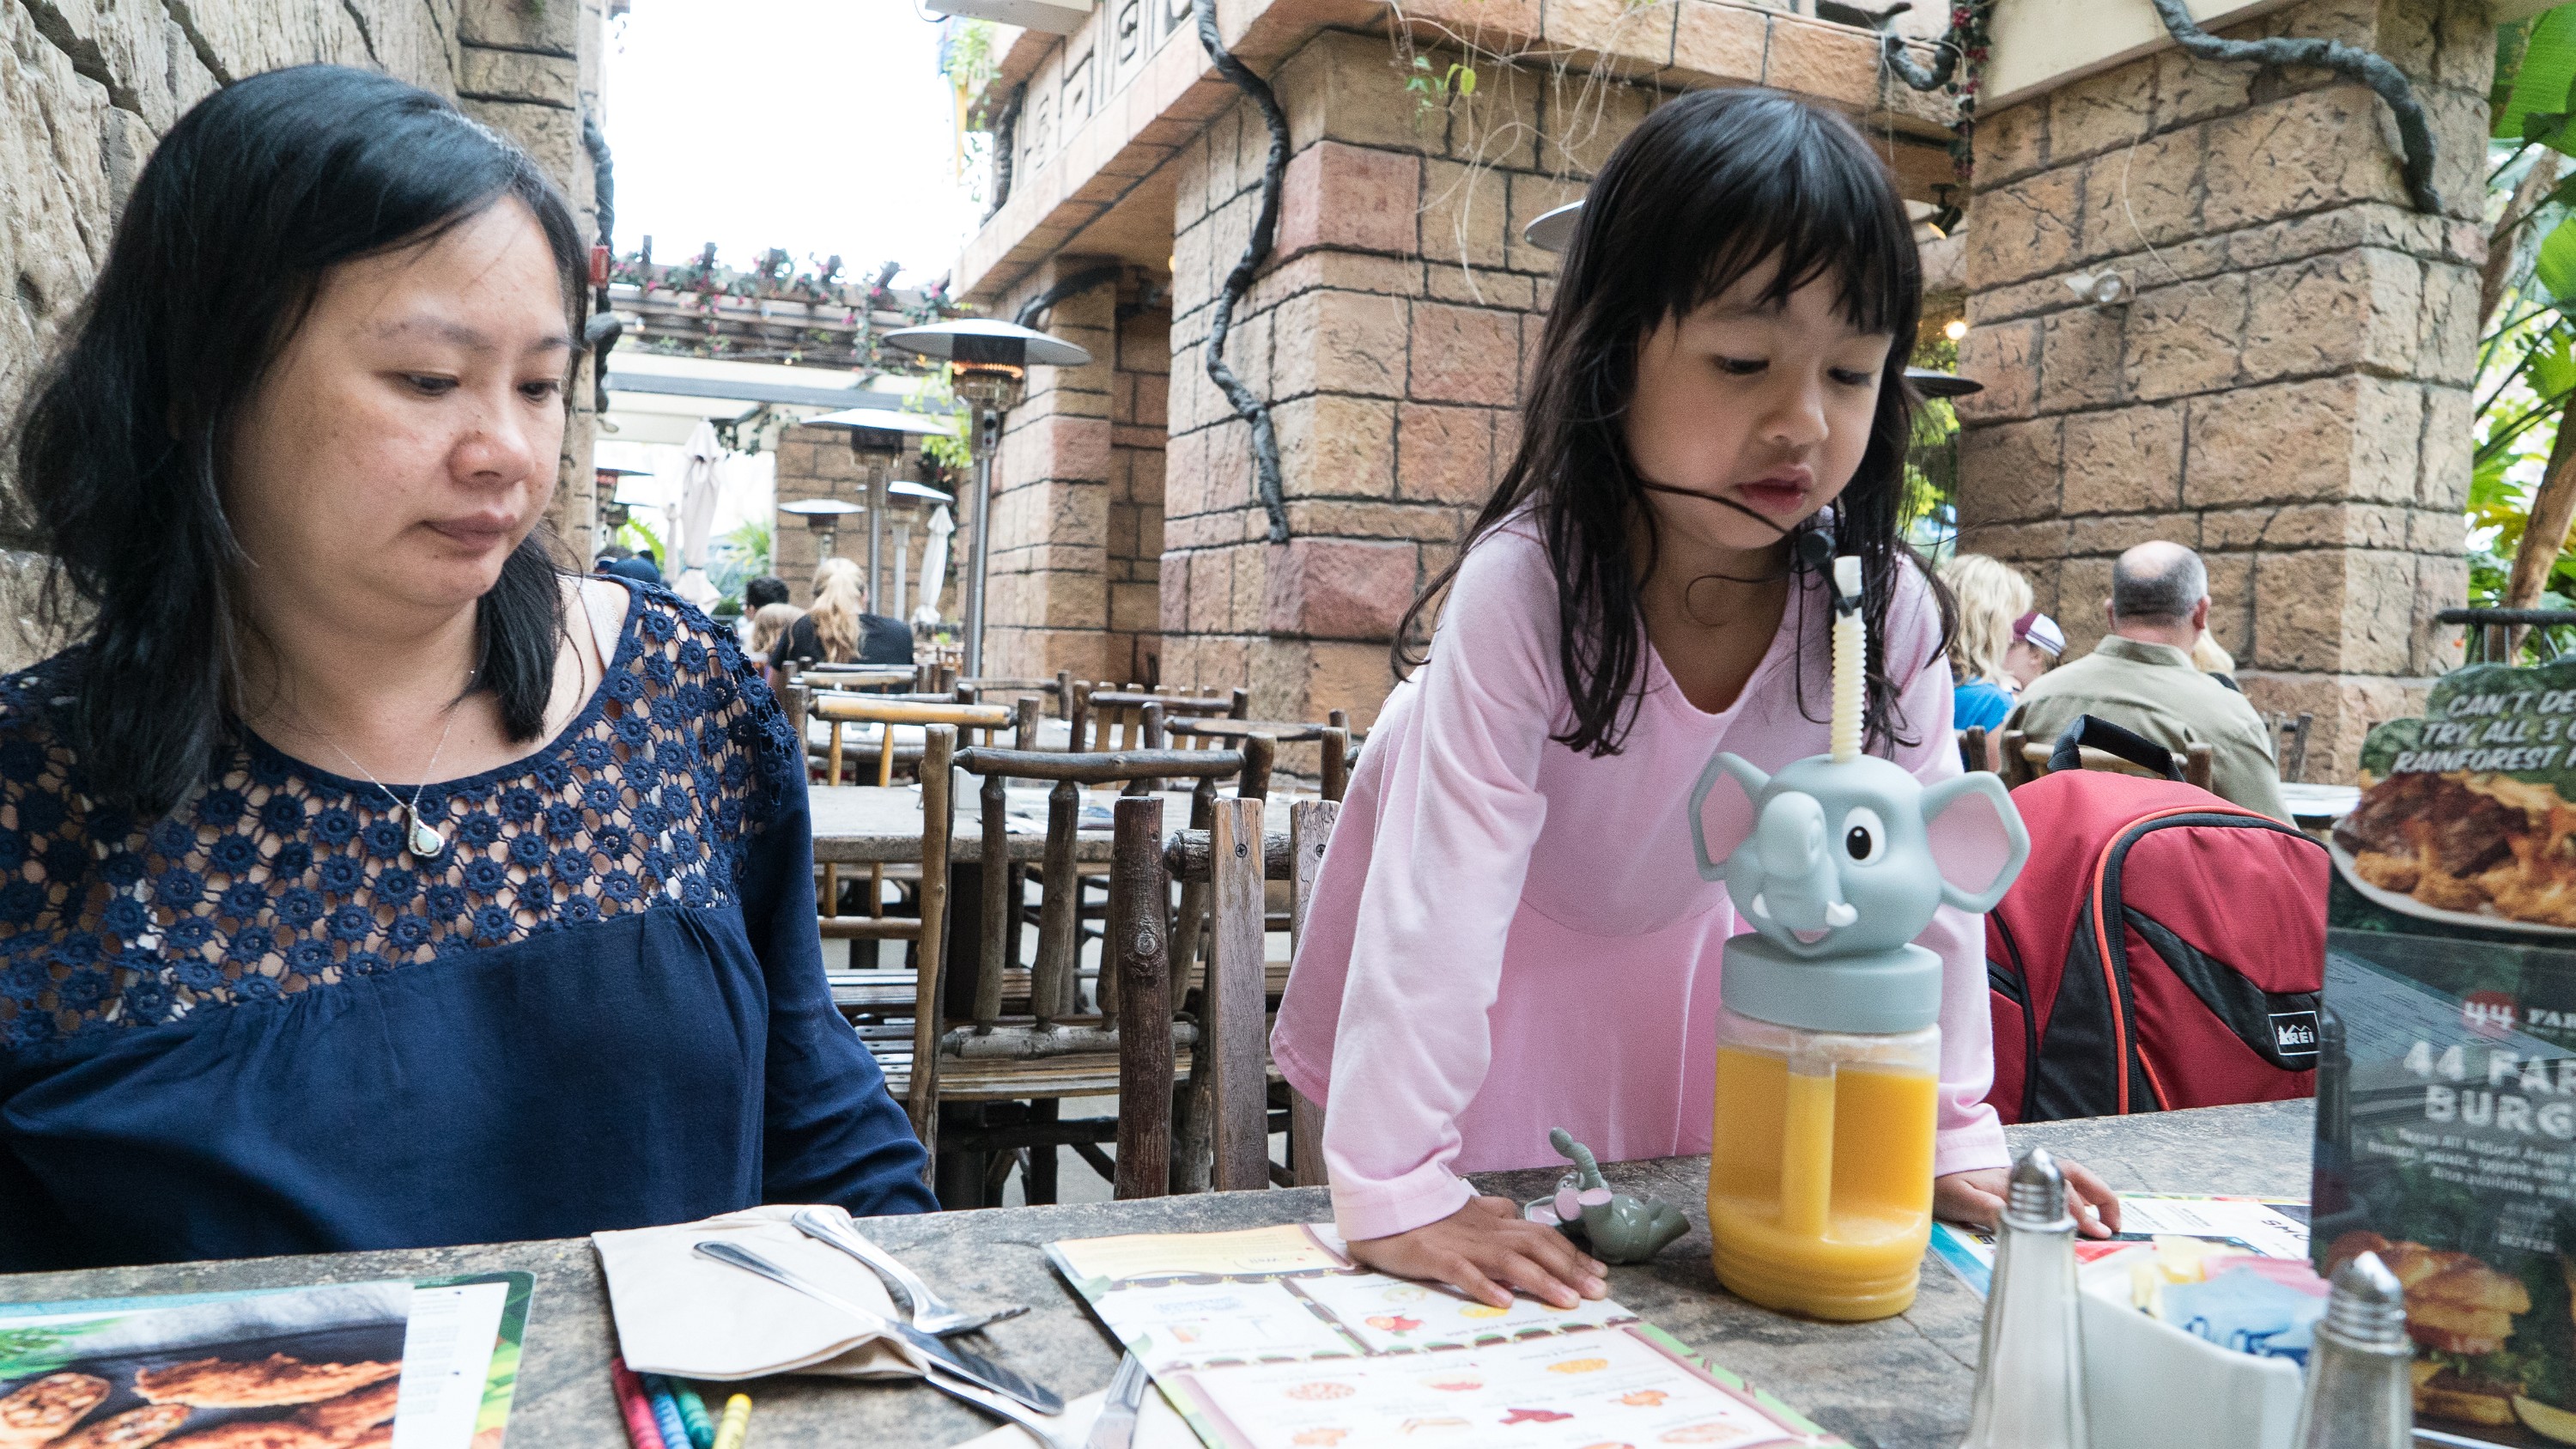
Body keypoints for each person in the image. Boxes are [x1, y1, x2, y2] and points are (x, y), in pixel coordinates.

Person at [0, 66, 933, 1272]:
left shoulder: (674, 692)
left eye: (540, 385)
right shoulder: (34, 797)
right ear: (198, 381)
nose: (506, 451)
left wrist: (928, 1312)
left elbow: (824, 1126)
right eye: (429, 381)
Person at [1269, 88, 2120, 1312]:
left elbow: (1926, 880)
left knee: (1675, 1275)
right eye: (1741, 362)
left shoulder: (1879, 611)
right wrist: (1400, 1184)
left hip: (1696, 958)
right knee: (1505, 1297)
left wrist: (1949, 1131)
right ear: (1614, 352)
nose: (1803, 422)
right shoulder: (1529, 586)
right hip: (1486, 962)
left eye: (1852, 371)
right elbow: (1440, 897)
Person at [2006, 541, 2289, 821]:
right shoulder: (2228, 718)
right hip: (2170, 855)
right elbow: (2276, 838)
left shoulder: (2035, 701)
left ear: (2110, 614)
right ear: (2201, 613)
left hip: (2058, 853)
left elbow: (2004, 815)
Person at [1940, 554, 2055, 735]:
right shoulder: (1992, 704)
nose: (2010, 638)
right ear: (1987, 625)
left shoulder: (1912, 682)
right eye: (2009, 623)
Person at [780, 557, 913, 670]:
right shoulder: (900, 632)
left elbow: (775, 688)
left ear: (816, 596)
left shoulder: (798, 629)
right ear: (865, 595)